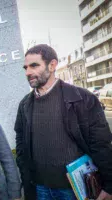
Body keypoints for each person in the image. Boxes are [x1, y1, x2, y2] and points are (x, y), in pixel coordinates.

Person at [14, 44, 112, 200]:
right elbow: (20, 141)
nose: (28, 72)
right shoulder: (25, 104)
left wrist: (109, 185)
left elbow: (101, 144)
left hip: (75, 190)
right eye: (25, 68)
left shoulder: (83, 98)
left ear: (52, 65)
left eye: (34, 66)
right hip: (40, 188)